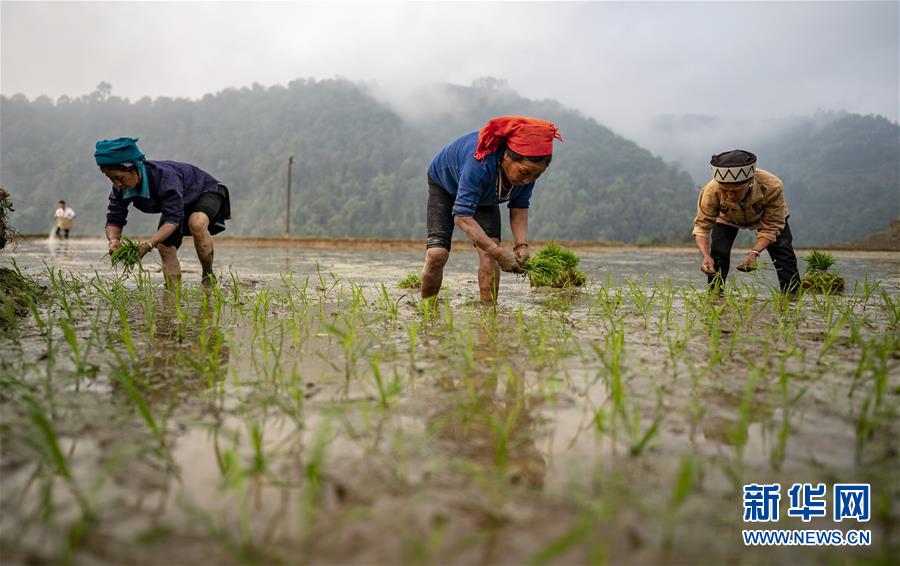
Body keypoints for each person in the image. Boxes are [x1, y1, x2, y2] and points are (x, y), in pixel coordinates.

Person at [421, 116, 563, 303]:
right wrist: (499, 253)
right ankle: (427, 308)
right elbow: (462, 217)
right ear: (507, 156)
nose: (528, 180)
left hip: (484, 195)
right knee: (437, 255)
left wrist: (521, 245)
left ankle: (489, 311)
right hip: (445, 185)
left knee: (489, 255)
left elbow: (519, 207)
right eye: (524, 172)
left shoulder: (528, 175)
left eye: (537, 175)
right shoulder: (479, 164)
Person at [95, 137, 231, 286]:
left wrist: (148, 245)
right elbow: (114, 218)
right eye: (111, 179)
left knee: (197, 222)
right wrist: (114, 240)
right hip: (178, 203)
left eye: (120, 178)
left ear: (135, 167)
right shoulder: (119, 188)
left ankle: (208, 275)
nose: (117, 184)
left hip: (205, 190)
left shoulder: (165, 177)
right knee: (164, 247)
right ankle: (172, 291)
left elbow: (172, 219)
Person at [692, 149, 800, 295]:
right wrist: (706, 256)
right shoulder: (711, 190)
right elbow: (702, 227)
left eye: (735, 191)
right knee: (718, 254)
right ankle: (715, 295)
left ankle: (793, 296)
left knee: (784, 254)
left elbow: (772, 226)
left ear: (750, 182)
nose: (729, 196)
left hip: (765, 217)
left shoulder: (772, 186)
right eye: (724, 190)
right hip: (727, 217)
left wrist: (754, 252)